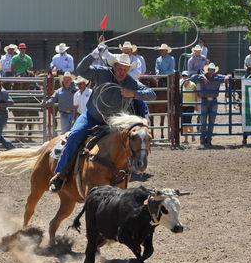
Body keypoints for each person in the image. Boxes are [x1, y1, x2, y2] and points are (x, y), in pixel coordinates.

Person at [48, 39, 156, 191]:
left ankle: (127, 170)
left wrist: (134, 93)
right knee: (74, 136)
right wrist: (94, 54)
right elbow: (80, 70)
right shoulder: (102, 72)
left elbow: (151, 94)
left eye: (125, 70)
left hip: (115, 123)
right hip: (92, 116)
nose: (122, 72)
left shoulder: (130, 82)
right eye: (119, 69)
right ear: (114, 66)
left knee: (132, 140)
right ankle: (61, 174)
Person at [189, 62, 229, 147]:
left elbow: (228, 76)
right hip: (205, 101)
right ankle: (203, 140)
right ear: (208, 70)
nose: (211, 71)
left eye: (213, 70)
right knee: (203, 122)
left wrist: (226, 77)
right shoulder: (203, 77)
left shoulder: (217, 77)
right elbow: (192, 77)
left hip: (213, 101)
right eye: (210, 70)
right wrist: (202, 76)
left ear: (214, 71)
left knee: (211, 122)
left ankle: (208, 140)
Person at [180, 70, 197, 143]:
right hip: (183, 105)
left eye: (186, 76)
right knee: (184, 122)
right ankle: (186, 139)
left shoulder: (193, 85)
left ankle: (192, 135)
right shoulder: (180, 83)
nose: (184, 77)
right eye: (183, 76)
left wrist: (195, 105)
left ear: (188, 77)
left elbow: (195, 95)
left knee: (188, 121)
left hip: (190, 105)